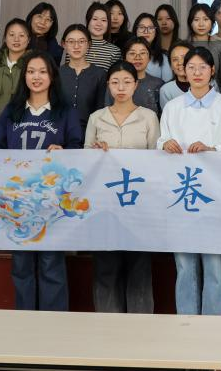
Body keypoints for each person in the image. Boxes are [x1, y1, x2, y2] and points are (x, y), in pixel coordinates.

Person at [0, 50, 82, 311]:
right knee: (21, 263)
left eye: (42, 71)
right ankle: (25, 321)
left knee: (51, 262)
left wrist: (65, 151)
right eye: (30, 72)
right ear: (23, 76)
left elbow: (77, 147)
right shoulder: (12, 110)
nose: (36, 77)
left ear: (52, 76)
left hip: (52, 202)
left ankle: (53, 322)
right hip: (18, 201)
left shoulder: (65, 112)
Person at [158, 46, 221, 316]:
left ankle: (215, 325)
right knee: (184, 266)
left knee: (214, 265)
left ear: (212, 70)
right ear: (183, 70)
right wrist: (165, 144)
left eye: (202, 67)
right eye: (191, 67)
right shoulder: (172, 107)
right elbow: (161, 141)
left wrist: (211, 149)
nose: (196, 72)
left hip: (215, 196)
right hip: (181, 196)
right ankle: (187, 322)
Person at [85, 60, 159, 314]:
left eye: (127, 82)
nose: (121, 87)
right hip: (105, 205)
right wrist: (95, 151)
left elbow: (156, 161)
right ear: (108, 85)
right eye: (115, 82)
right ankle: (108, 326)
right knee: (106, 266)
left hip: (139, 204)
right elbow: (85, 162)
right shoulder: (97, 118)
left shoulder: (148, 117)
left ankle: (140, 326)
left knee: (139, 267)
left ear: (136, 85)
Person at [58, 24, 107, 135]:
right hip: (59, 133)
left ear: (89, 44)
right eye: (71, 41)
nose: (76, 46)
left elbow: (101, 110)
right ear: (64, 44)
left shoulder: (100, 74)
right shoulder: (56, 73)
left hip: (90, 133)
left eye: (81, 41)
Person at [107, 37, 164, 115]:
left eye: (142, 53)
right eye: (132, 53)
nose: (137, 57)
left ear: (149, 58)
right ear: (124, 58)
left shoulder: (158, 84)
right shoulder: (115, 83)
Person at [70, 2, 121, 70]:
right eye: (95, 19)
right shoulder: (75, 46)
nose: (99, 24)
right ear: (88, 21)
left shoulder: (114, 51)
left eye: (103, 20)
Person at [132, 12, 172, 82]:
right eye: (142, 27)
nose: (146, 31)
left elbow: (167, 85)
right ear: (136, 30)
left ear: (156, 32)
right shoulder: (127, 54)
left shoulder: (163, 58)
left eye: (150, 28)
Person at [159, 40, 192, 109]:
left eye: (184, 57)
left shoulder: (209, 84)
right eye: (175, 59)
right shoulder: (166, 90)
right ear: (171, 66)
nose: (180, 63)